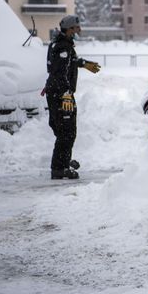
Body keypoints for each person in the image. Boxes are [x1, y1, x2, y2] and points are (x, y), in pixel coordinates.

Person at [44, 15, 100, 180]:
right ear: (69, 29)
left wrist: (83, 63)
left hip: (57, 93)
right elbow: (59, 73)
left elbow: (68, 62)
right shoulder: (62, 47)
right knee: (66, 132)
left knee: (63, 130)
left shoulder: (60, 44)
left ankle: (63, 160)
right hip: (61, 95)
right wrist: (67, 95)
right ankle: (59, 168)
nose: (79, 30)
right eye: (76, 27)